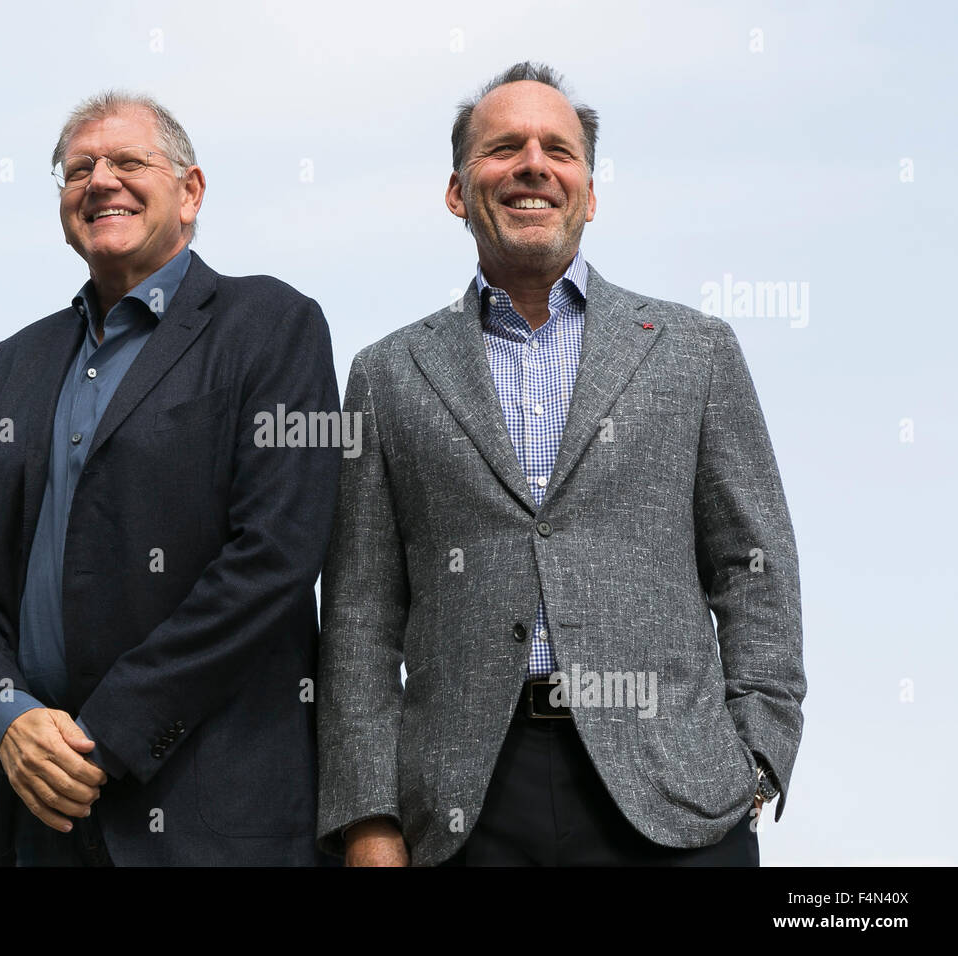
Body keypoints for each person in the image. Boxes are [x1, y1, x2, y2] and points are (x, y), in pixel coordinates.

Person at [316, 62, 805, 866]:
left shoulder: (695, 350)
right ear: (456, 190)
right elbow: (361, 616)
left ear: (589, 191)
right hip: (465, 809)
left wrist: (756, 760)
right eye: (502, 147)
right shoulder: (387, 372)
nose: (533, 164)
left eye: (559, 150)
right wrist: (370, 818)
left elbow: (756, 571)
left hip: (678, 800)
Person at [0, 91, 340, 866]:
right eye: (78, 168)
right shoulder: (11, 365)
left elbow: (276, 556)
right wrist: (4, 714)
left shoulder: (273, 325)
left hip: (216, 818)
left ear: (190, 192)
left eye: (127, 161)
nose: (100, 180)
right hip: (43, 820)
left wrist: (105, 732)